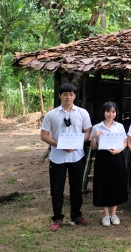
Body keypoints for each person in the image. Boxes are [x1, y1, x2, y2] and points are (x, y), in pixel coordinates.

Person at [40, 83, 92, 231]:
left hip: (77, 156)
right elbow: (44, 135)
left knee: (76, 188)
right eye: (65, 94)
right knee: (57, 188)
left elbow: (88, 131)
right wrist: (59, 144)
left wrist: (78, 142)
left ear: (75, 96)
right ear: (60, 96)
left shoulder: (82, 113)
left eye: (71, 94)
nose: (68, 97)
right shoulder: (52, 114)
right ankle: (57, 218)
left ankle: (76, 215)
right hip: (57, 157)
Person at [89, 101, 128, 226]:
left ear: (116, 113)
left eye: (113, 111)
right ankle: (106, 215)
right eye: (108, 111)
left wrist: (119, 150)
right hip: (103, 158)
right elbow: (93, 147)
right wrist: (94, 136)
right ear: (103, 112)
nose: (110, 114)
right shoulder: (97, 127)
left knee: (116, 182)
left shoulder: (120, 126)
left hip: (117, 157)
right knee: (104, 183)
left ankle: (114, 213)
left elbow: (125, 142)